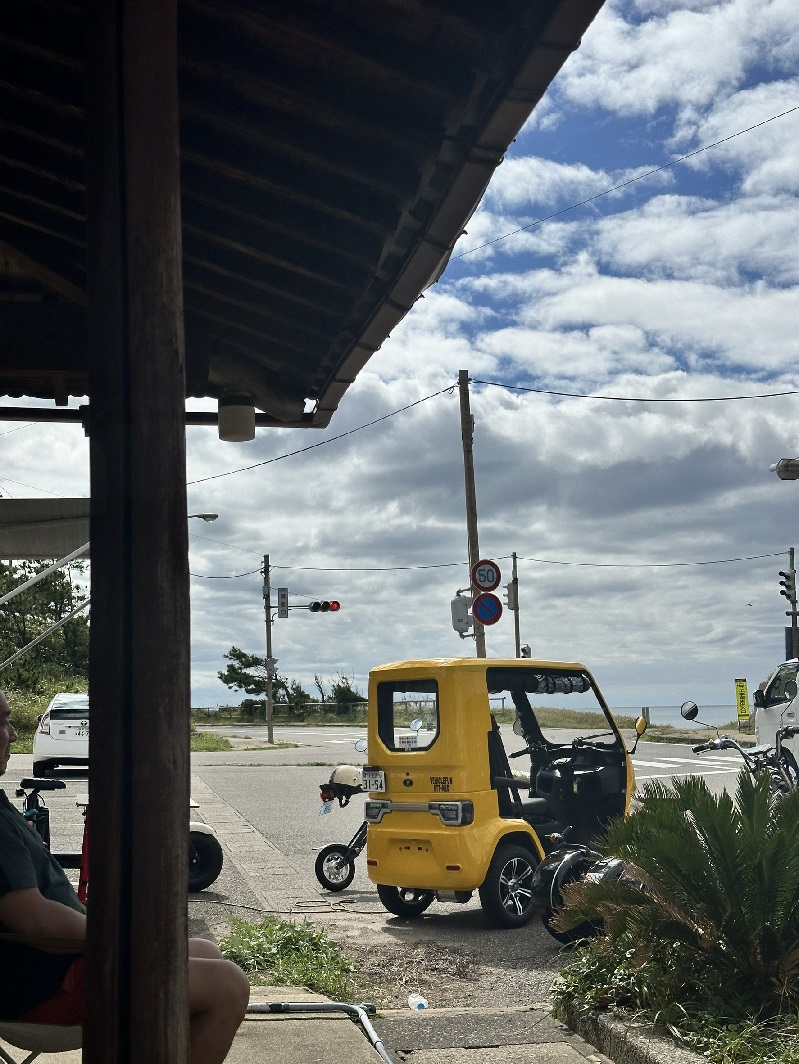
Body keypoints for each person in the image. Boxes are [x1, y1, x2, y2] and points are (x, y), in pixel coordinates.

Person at [0, 690, 249, 1064]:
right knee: (228, 985)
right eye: (3, 721)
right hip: (43, 986)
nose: (13, 734)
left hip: (47, 968)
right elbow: (31, 916)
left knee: (204, 950)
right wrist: (118, 937)